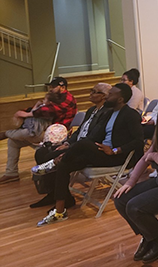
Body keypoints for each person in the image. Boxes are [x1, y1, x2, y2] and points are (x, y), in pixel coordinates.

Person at [34, 83, 144, 226]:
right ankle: (60, 211)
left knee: (84, 144)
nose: (108, 96)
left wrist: (116, 150)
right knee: (64, 165)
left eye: (112, 94)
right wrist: (69, 151)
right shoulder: (109, 112)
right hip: (100, 152)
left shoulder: (131, 115)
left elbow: (138, 141)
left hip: (115, 157)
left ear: (120, 99)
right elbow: (96, 134)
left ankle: (52, 163)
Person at [113, 105, 158, 263]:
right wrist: (130, 182)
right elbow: (143, 160)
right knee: (121, 199)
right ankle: (149, 236)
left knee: (135, 207)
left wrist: (153, 155)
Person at [29, 83, 112, 209]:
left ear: (104, 96)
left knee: (51, 157)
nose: (91, 93)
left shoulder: (107, 113)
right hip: (75, 144)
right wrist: (67, 142)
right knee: (41, 152)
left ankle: (62, 197)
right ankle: (54, 193)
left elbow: (95, 136)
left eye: (95, 91)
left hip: (85, 149)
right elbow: (79, 131)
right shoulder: (91, 110)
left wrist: (71, 147)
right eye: (91, 90)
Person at [0, 77, 77, 184]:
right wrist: (30, 111)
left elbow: (49, 110)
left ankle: (6, 134)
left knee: (27, 133)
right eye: (50, 86)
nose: (51, 89)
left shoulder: (67, 99)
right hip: (46, 131)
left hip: (55, 134)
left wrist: (28, 114)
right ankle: (11, 173)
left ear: (63, 87)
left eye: (54, 87)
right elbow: (42, 107)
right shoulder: (56, 97)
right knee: (13, 142)